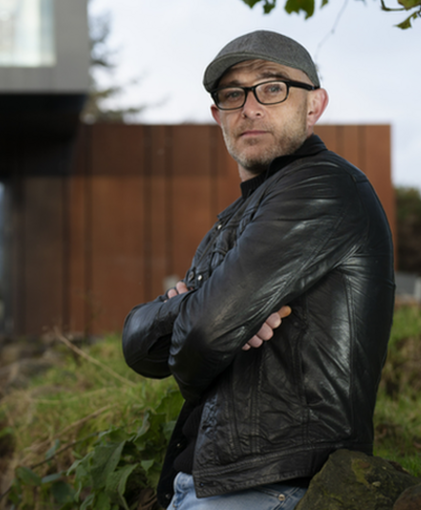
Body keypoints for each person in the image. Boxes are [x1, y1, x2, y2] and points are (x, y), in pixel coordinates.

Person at [121, 30, 395, 510]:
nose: (250, 107)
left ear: (314, 106)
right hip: (205, 482)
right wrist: (198, 312)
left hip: (272, 483)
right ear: (218, 117)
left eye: (272, 88)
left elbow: (202, 338)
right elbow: (139, 350)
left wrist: (201, 319)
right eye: (233, 95)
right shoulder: (235, 217)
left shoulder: (322, 187)